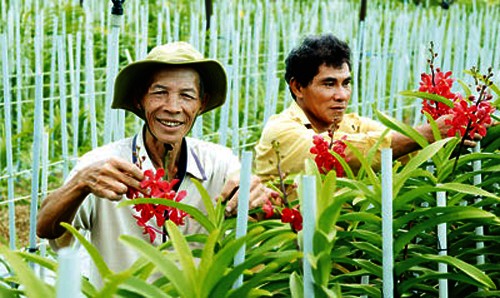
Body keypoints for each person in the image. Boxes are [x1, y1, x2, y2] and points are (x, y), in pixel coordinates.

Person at [37, 42, 272, 287]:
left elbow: (255, 208)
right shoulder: (103, 166)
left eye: (186, 95)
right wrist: (80, 184)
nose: (172, 107)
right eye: (159, 92)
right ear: (140, 99)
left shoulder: (220, 164)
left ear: (201, 103)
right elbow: (45, 228)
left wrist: (254, 196)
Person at [255, 34, 473, 181]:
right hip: (288, 246)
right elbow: (339, 154)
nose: (341, 95)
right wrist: (427, 133)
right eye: (329, 84)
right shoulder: (280, 131)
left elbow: (399, 145)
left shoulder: (352, 124)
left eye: (346, 83)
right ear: (298, 87)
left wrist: (454, 133)